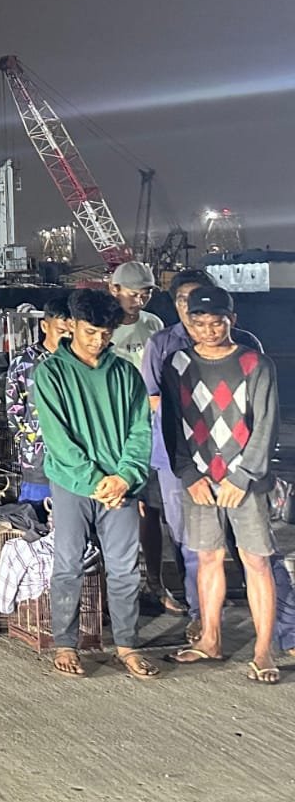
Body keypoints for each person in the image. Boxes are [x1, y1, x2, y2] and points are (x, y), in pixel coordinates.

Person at [142, 270, 295, 653]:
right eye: (200, 323)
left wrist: (241, 477)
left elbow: (265, 427)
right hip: (198, 483)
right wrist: (189, 474)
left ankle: (263, 651)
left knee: (257, 560)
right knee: (206, 558)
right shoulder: (176, 365)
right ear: (188, 323)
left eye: (217, 323)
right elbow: (172, 426)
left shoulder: (255, 364)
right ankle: (210, 639)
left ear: (233, 320)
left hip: (243, 483)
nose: (209, 330)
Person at [32, 288, 157, 679]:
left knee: (124, 568)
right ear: (71, 326)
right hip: (73, 485)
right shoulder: (51, 372)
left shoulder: (125, 374)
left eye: (106, 333)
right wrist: (95, 480)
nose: (98, 341)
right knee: (68, 565)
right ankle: (65, 643)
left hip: (120, 487)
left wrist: (124, 477)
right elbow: (57, 437)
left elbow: (141, 431)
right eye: (90, 332)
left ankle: (127, 644)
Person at [105, 259, 179, 612]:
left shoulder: (155, 326)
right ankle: (113, 589)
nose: (141, 299)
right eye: (134, 293)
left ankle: (155, 582)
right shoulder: (101, 328)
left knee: (150, 509)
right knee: (113, 509)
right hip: (111, 430)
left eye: (147, 292)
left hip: (148, 429)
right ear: (114, 290)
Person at [2, 293, 73, 504]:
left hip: (73, 458)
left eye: (71, 332)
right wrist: (29, 441)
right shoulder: (23, 363)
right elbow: (14, 410)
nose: (66, 337)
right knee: (34, 516)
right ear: (45, 327)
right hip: (37, 457)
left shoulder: (79, 363)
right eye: (61, 331)